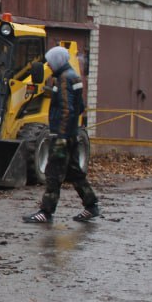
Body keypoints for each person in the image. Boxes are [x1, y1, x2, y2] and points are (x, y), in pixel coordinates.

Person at [24, 46, 101, 224]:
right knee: (74, 173)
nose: (49, 65)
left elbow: (68, 108)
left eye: (50, 62)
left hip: (63, 136)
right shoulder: (73, 76)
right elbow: (80, 106)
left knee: (53, 173)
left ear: (58, 61)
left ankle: (46, 212)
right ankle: (91, 206)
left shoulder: (64, 79)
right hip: (72, 134)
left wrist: (61, 136)